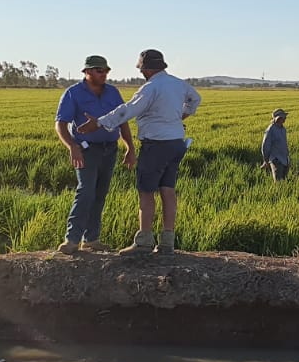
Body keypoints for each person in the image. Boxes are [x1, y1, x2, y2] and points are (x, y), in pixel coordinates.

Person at [75, 49, 199, 256]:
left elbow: (127, 110)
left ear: (146, 69)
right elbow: (195, 99)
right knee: (167, 189)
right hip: (176, 142)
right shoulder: (179, 84)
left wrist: (98, 123)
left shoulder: (150, 88)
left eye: (141, 68)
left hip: (156, 144)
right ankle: (167, 242)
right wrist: (179, 117)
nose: (141, 72)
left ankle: (144, 242)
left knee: (146, 191)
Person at [54, 56, 137, 255]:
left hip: (109, 149)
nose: (104, 74)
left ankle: (91, 240)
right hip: (86, 150)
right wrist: (72, 147)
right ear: (87, 72)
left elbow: (122, 120)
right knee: (86, 192)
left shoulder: (113, 92)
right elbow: (60, 124)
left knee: (100, 194)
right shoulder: (73, 93)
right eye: (99, 70)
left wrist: (130, 147)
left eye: (106, 70)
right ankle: (72, 240)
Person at [260, 108, 290, 181]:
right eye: (283, 117)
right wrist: (266, 160)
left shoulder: (283, 129)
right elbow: (265, 147)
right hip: (276, 160)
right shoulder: (270, 130)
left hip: (284, 160)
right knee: (278, 182)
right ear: (278, 118)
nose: (285, 118)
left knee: (284, 180)